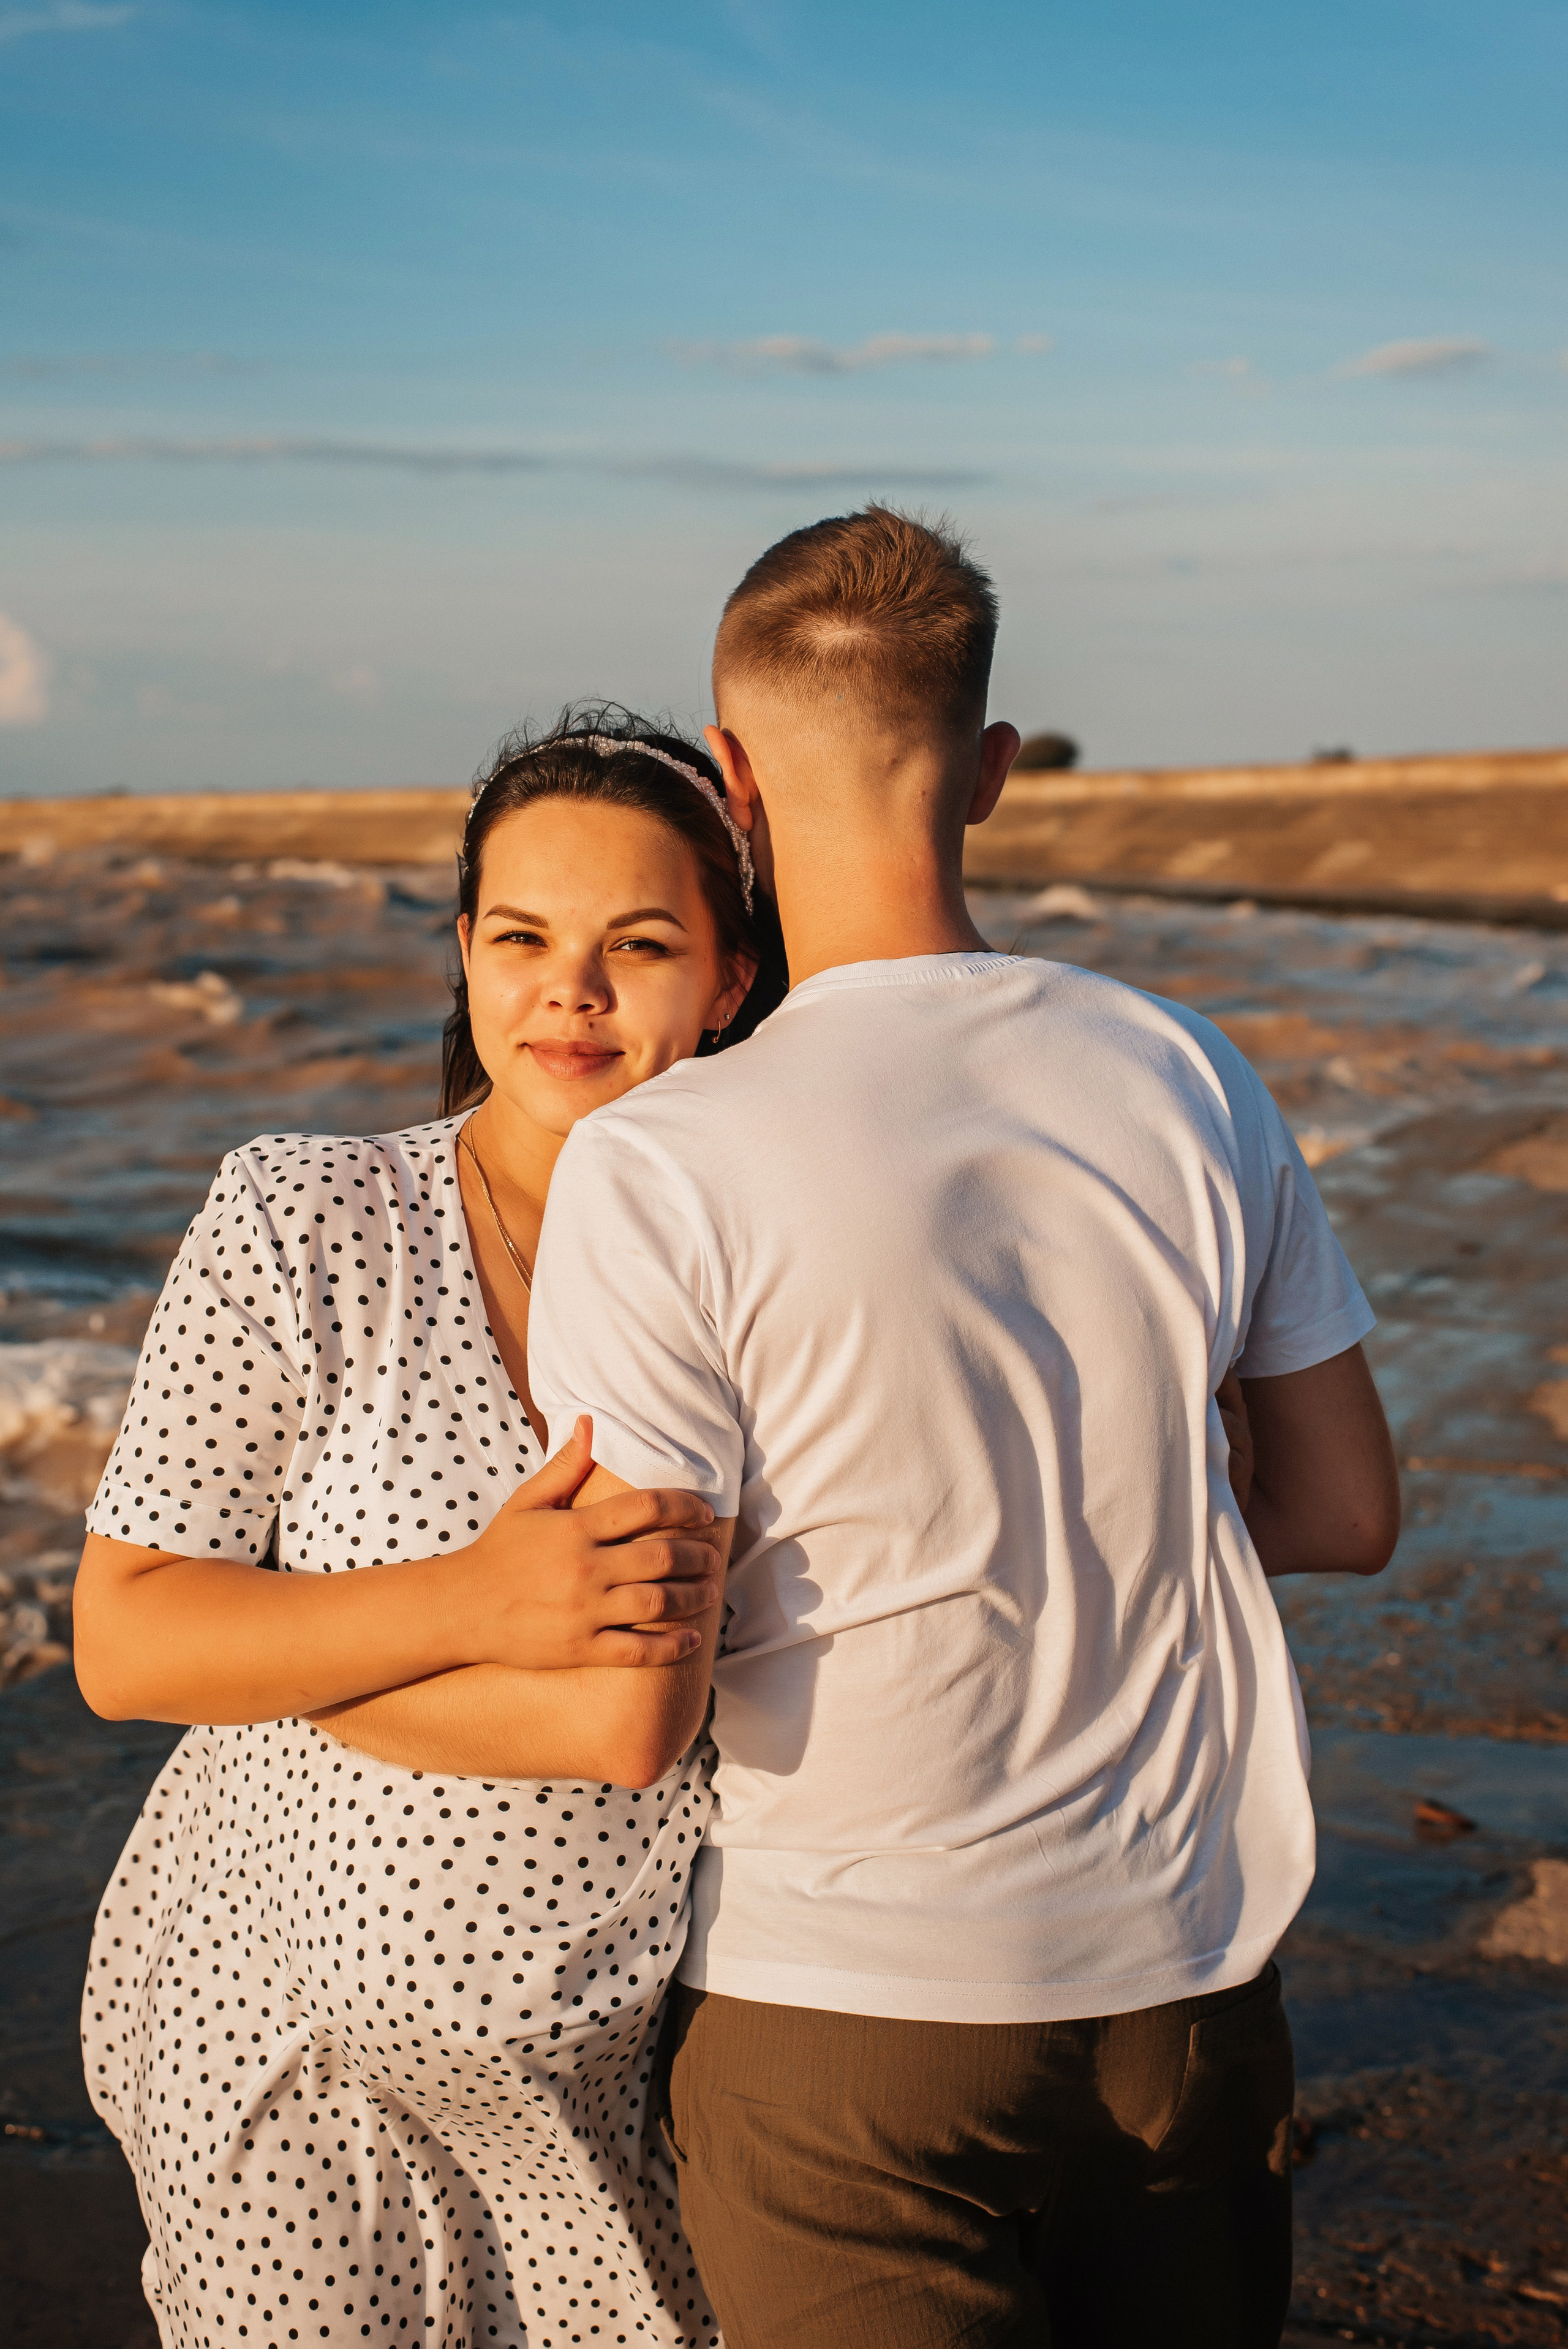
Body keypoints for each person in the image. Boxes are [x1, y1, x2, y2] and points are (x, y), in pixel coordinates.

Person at [524, 510, 1403, 2349]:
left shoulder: (664, 1158)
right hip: (1186, 1980)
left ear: (737, 782)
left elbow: (636, 1684)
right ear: (995, 770)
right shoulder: (1188, 1070)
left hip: (842, 2009)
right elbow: (1343, 1507)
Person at [72, 708, 782, 2349]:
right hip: (296, 2068)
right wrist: (479, 1595)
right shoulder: (310, 1216)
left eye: (642, 943)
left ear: (731, 977)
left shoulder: (760, 1262)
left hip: (622, 2097)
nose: (572, 989)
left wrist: (297, 1665)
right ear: (464, 950)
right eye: (523, 935)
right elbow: (127, 1638)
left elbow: (635, 1731)